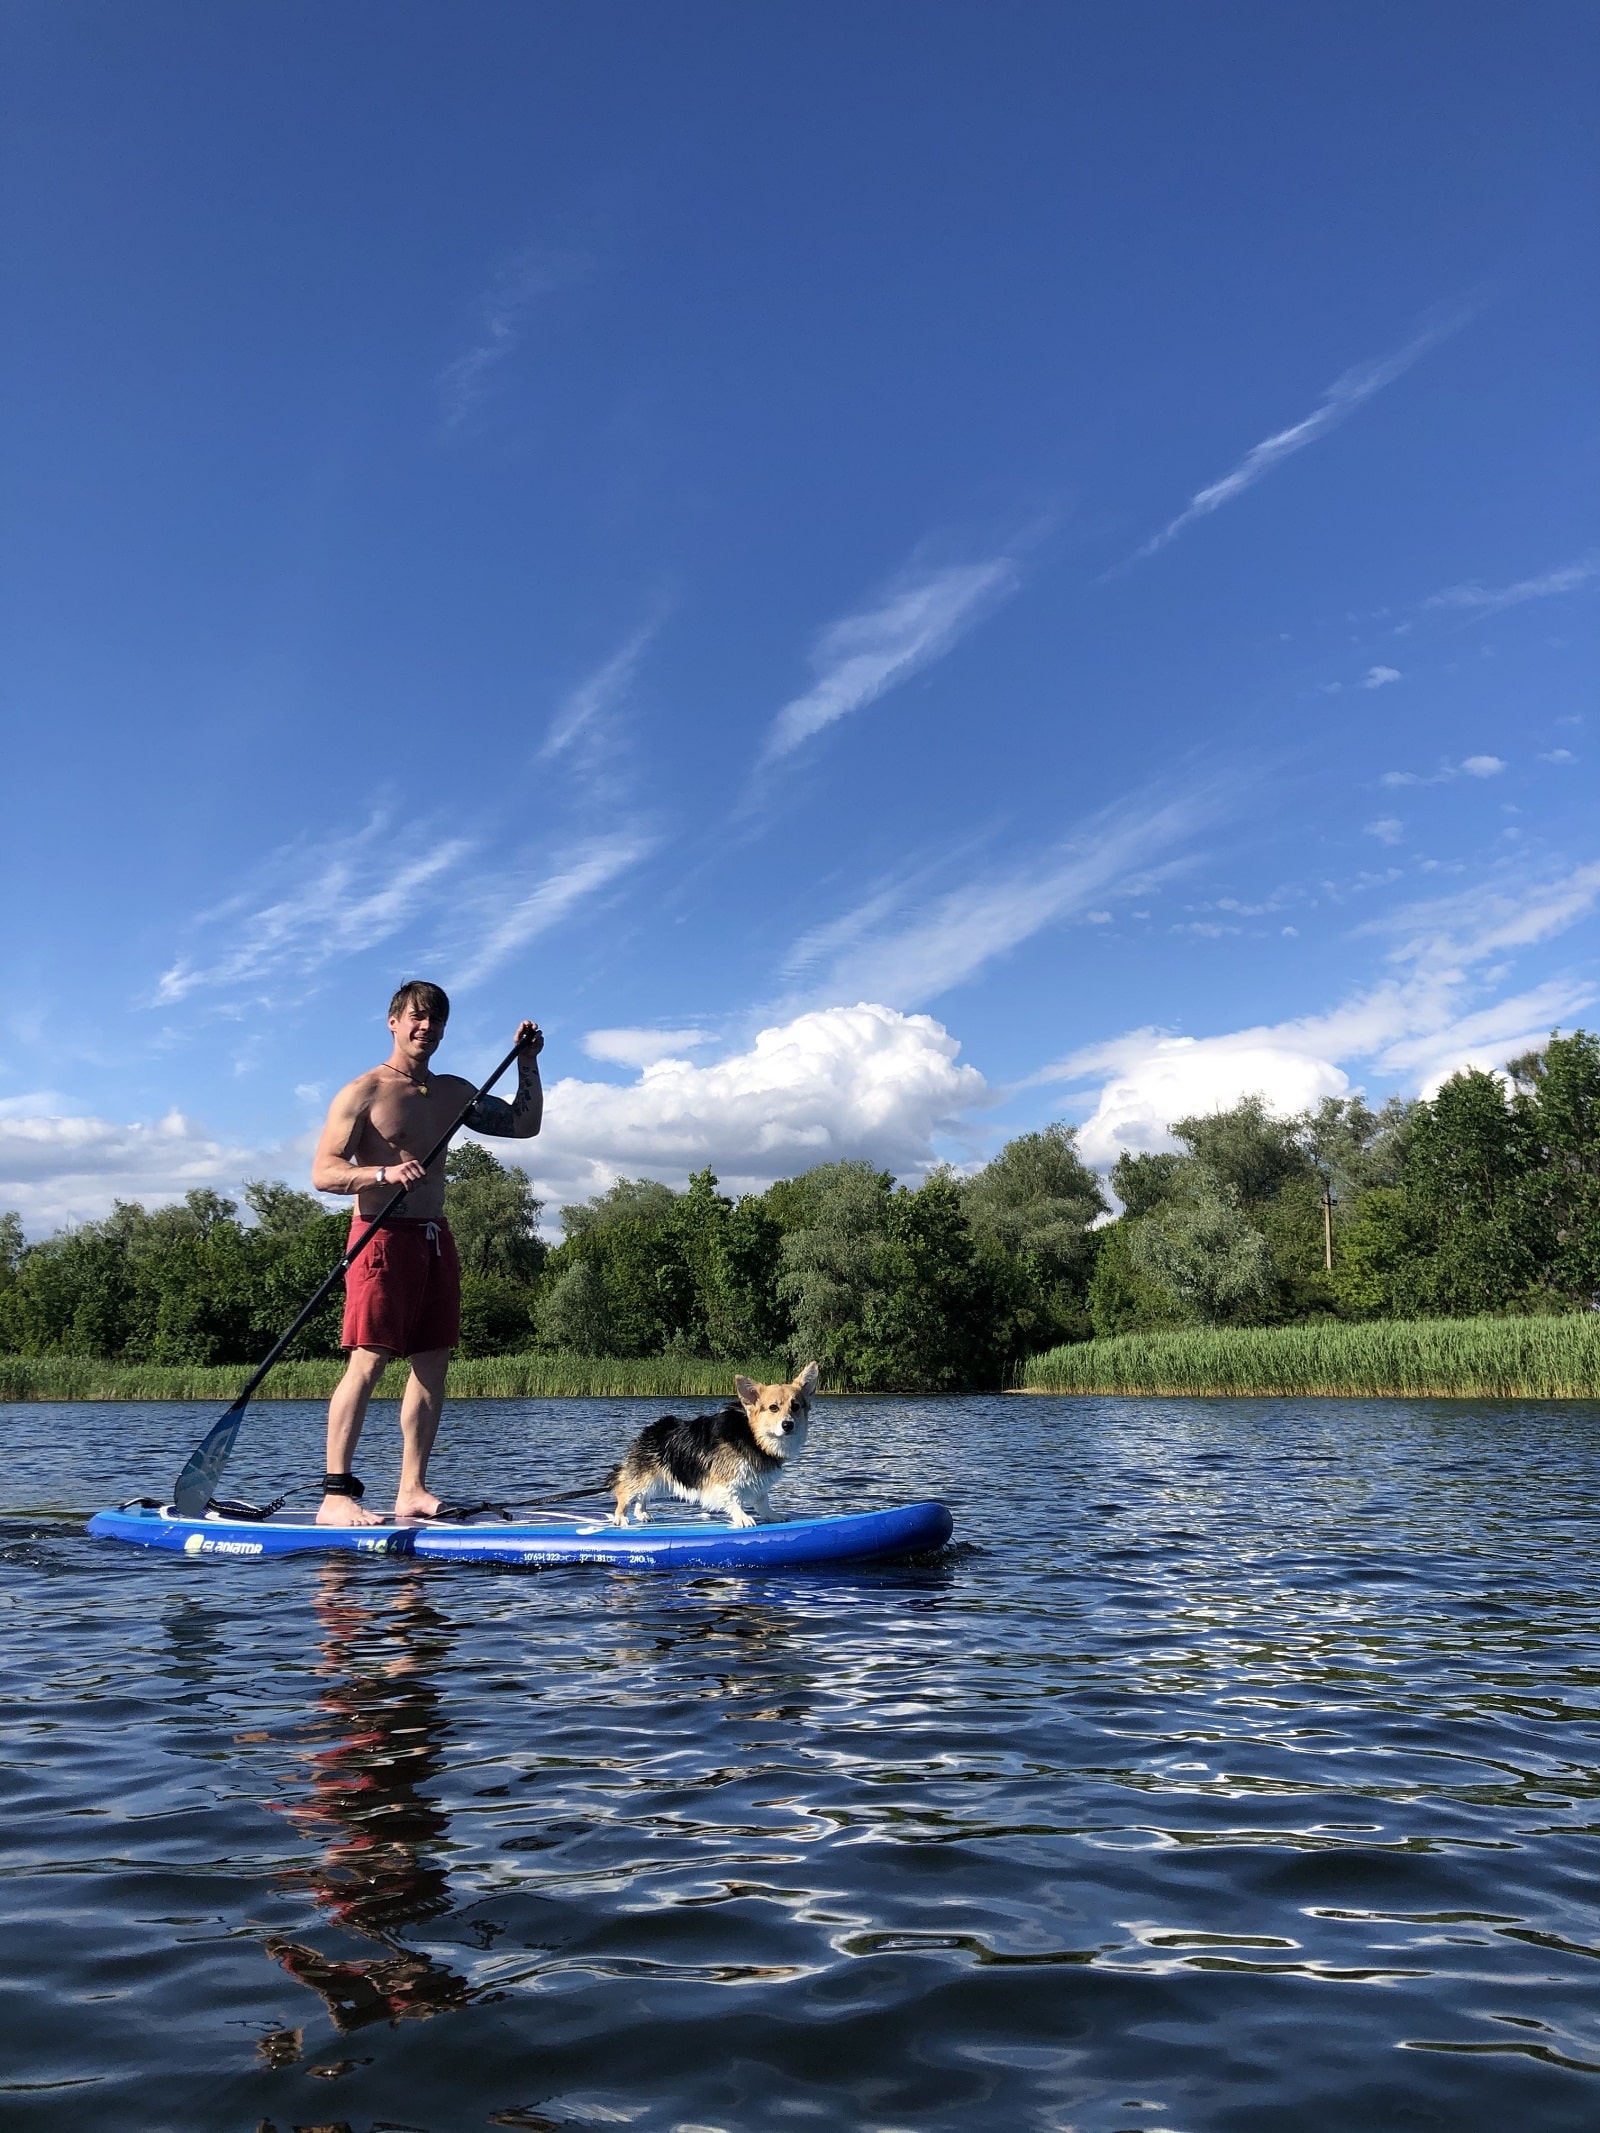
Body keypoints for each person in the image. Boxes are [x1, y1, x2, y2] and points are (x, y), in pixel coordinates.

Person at [309, 980, 543, 1526]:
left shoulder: (452, 1093)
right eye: (416, 1017)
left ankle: (411, 1489)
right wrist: (383, 1172)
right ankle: (335, 1495)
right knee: (368, 1362)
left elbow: (524, 1125)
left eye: (435, 1021)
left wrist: (527, 1063)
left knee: (433, 1362)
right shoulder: (362, 1092)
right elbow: (324, 1172)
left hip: (435, 1238)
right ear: (393, 1021)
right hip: (380, 1239)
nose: (425, 1028)